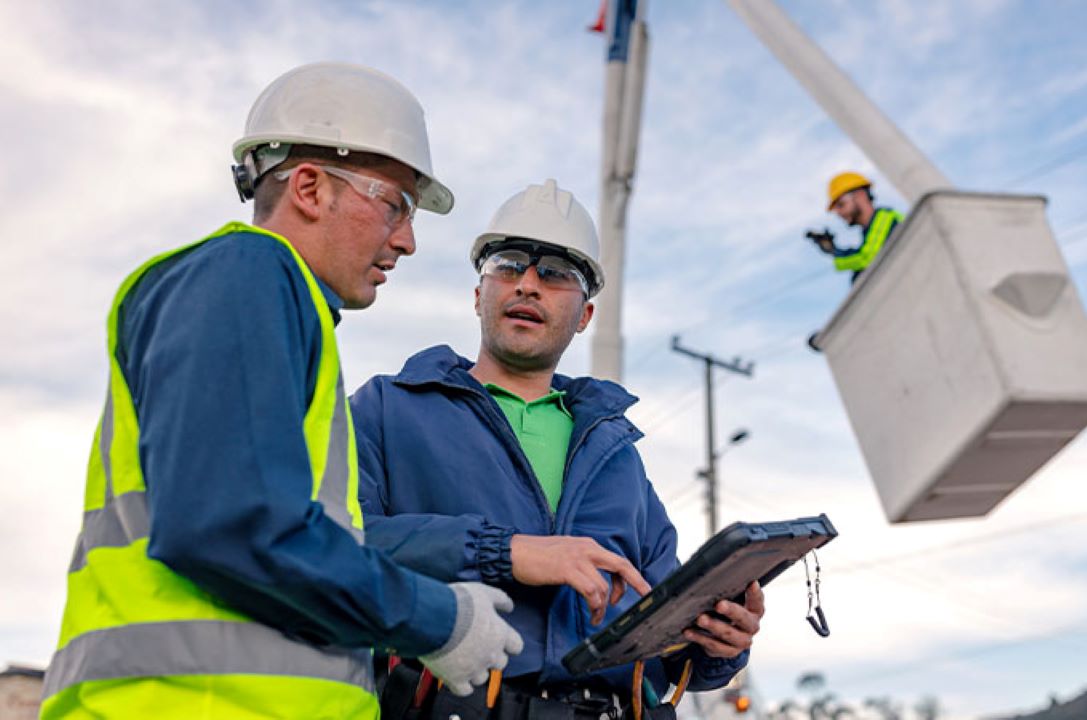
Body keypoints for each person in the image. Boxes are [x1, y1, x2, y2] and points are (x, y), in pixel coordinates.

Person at [40, 63, 522, 720]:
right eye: (396, 205)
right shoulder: (247, 273)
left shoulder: (279, 309)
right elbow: (234, 525)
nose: (407, 241)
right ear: (310, 188)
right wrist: (436, 618)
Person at [351, 179, 765, 719]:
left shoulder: (616, 453)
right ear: (479, 294)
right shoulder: (388, 408)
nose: (527, 284)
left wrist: (719, 645)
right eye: (508, 264)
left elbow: (664, 629)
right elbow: (333, 545)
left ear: (586, 316)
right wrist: (505, 552)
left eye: (556, 274)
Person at [805, 171, 903, 285]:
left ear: (860, 195)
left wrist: (835, 252)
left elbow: (867, 258)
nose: (838, 212)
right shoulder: (869, 233)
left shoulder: (887, 217)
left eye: (841, 204)